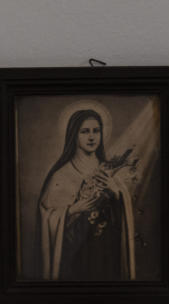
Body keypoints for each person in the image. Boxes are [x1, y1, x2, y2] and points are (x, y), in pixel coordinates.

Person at [36, 109, 136, 281]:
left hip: (107, 250)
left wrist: (116, 192)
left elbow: (123, 216)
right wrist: (73, 209)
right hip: (76, 254)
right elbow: (46, 216)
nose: (91, 137)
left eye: (96, 131)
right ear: (74, 135)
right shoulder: (61, 175)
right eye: (85, 131)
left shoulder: (109, 170)